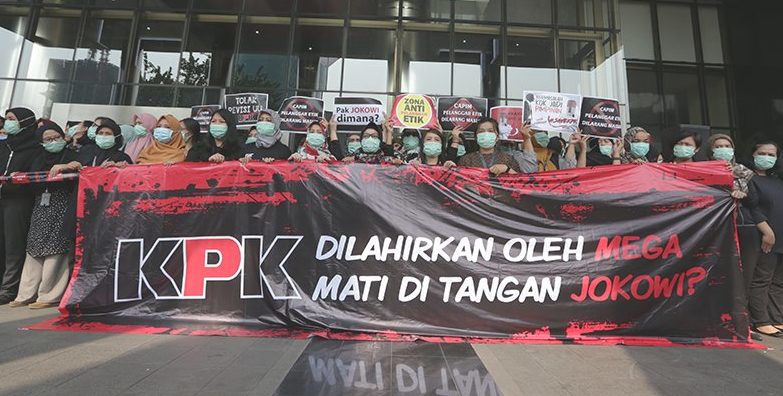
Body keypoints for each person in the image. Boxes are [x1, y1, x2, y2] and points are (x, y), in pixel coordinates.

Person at [9, 124, 81, 308]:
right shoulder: (38, 158)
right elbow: (31, 179)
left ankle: (49, 295)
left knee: (56, 248)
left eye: (56, 137)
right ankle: (25, 293)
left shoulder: (73, 155)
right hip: (41, 204)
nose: (53, 142)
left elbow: (81, 169)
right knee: (34, 246)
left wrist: (67, 167)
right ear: (41, 142)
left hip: (63, 203)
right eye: (47, 139)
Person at [0, 107, 41, 305]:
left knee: (13, 245)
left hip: (19, 200)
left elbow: (35, 173)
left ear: (24, 122)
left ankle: (8, 288)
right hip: (2, 197)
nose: (8, 123)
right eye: (7, 119)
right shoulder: (4, 146)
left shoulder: (35, 147)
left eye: (12, 119)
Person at [745, 141, 783, 337]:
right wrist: (766, 231)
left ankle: (777, 318)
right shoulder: (748, 178)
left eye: (771, 154)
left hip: (781, 235)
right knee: (762, 279)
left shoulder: (777, 180)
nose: (766, 157)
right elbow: (752, 207)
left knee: (778, 282)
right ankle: (760, 320)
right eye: (762, 153)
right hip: (765, 235)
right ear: (753, 154)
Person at [458, 118, 522, 176]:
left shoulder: (508, 159)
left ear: (497, 137)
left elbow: (521, 181)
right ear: (476, 137)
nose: (486, 134)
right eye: (481, 131)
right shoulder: (466, 160)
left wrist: (507, 169)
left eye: (490, 131)